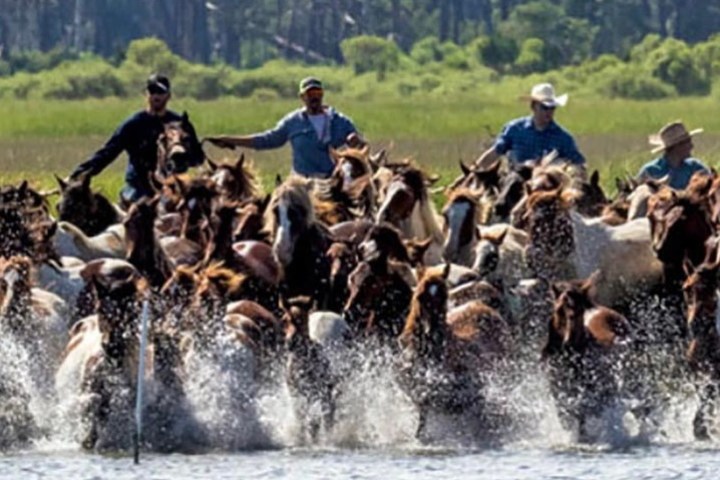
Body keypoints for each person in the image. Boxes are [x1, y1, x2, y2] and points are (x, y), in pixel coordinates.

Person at [68, 74, 204, 205]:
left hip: (172, 188)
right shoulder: (133, 124)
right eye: (152, 91)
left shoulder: (180, 124)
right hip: (138, 189)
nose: (156, 95)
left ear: (168, 95)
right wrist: (77, 175)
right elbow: (107, 153)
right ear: (146, 94)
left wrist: (182, 158)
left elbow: (198, 158)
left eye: (160, 92)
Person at [206, 77, 363, 178]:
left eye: (317, 92)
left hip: (332, 180)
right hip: (303, 181)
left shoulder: (340, 121)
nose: (314, 97)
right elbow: (267, 140)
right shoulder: (293, 122)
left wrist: (356, 142)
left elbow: (361, 147)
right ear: (302, 97)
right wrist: (229, 140)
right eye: (310, 94)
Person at [475, 83, 585, 169]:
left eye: (552, 108)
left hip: (547, 188)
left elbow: (578, 164)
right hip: (515, 184)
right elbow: (496, 152)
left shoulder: (563, 138)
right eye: (544, 108)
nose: (549, 112)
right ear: (533, 107)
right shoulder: (514, 129)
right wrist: (474, 171)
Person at [637, 121, 709, 190]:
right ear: (677, 146)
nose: (691, 146)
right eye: (688, 142)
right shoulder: (650, 170)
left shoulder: (696, 167)